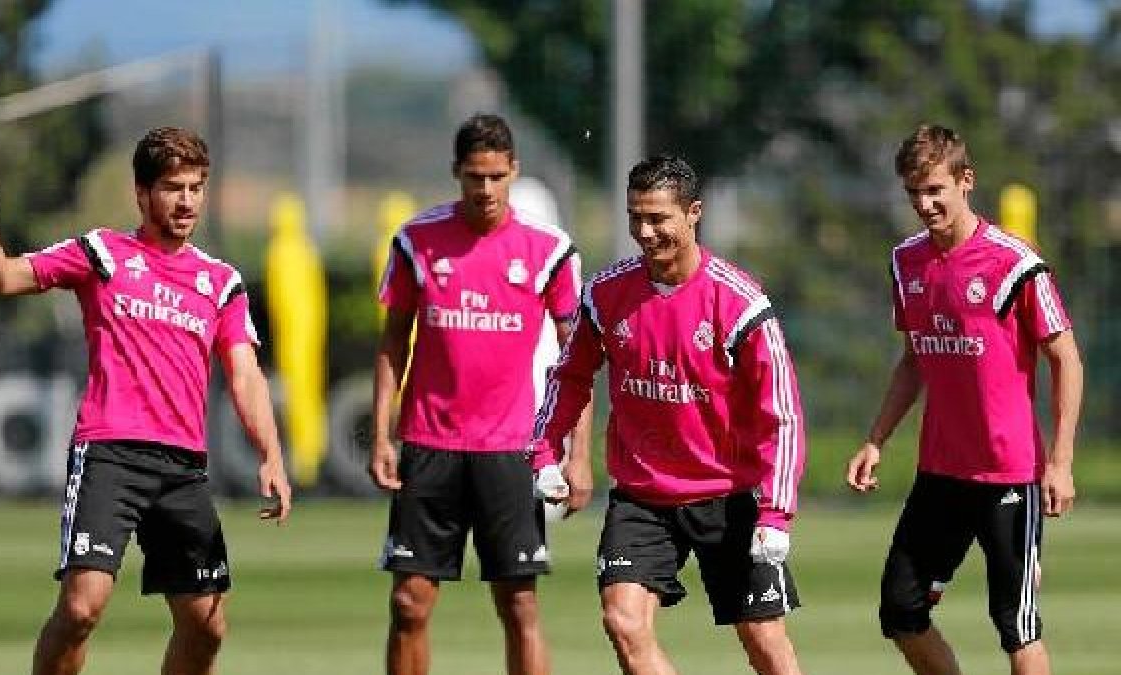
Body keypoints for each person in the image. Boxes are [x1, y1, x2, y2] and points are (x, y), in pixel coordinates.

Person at [0, 126, 293, 675]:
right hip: (110, 455)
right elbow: (5, 279)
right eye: (174, 187)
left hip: (182, 469)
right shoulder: (102, 253)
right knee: (82, 607)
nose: (186, 201)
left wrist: (270, 453)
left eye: (196, 188)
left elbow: (245, 374)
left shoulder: (221, 282)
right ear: (142, 191)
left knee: (206, 626)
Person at [532, 154, 806, 675]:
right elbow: (568, 375)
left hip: (727, 495)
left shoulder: (740, 302)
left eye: (658, 218)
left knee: (766, 645)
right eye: (635, 217)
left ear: (693, 213)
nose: (645, 231)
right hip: (642, 497)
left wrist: (775, 514)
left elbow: (783, 414)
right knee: (624, 622)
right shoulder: (606, 295)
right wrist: (545, 450)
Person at [845, 124, 1082, 675]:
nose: (924, 205)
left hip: (1009, 476)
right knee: (900, 609)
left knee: (1016, 625)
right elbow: (914, 359)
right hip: (941, 475)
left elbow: (1065, 357)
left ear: (965, 181)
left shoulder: (1014, 262)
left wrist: (1062, 461)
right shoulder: (906, 263)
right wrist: (876, 439)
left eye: (934, 190)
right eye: (913, 194)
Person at [369, 113, 589, 675]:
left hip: (512, 449)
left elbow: (577, 361)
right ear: (456, 174)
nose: (485, 189)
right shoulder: (417, 241)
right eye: (473, 177)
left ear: (513, 171)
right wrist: (380, 436)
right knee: (409, 603)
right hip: (430, 444)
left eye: (495, 176)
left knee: (518, 603)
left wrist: (578, 454)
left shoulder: (549, 251)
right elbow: (393, 344)